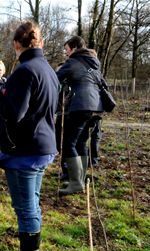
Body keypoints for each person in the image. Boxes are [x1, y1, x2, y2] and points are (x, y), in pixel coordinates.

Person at [0, 21, 59, 251]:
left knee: (26, 207)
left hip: (26, 152)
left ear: (16, 44)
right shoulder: (48, 70)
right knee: (31, 205)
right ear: (41, 43)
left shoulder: (25, 71)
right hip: (40, 145)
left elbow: (14, 113)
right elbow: (35, 111)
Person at [56, 36, 104, 195]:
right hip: (96, 108)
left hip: (81, 106)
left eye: (67, 50)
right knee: (81, 142)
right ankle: (80, 180)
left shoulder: (73, 62)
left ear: (75, 48)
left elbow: (54, 79)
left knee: (68, 143)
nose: (66, 54)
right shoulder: (93, 63)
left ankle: (76, 183)